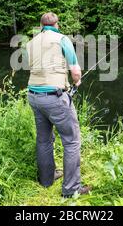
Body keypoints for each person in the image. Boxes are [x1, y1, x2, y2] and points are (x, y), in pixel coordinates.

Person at [25, 12, 91, 198]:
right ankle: (71, 189)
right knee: (71, 141)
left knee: (44, 139)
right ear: (57, 24)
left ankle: (46, 179)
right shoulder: (62, 39)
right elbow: (75, 71)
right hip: (54, 98)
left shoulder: (31, 43)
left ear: (41, 25)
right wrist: (76, 82)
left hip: (33, 96)